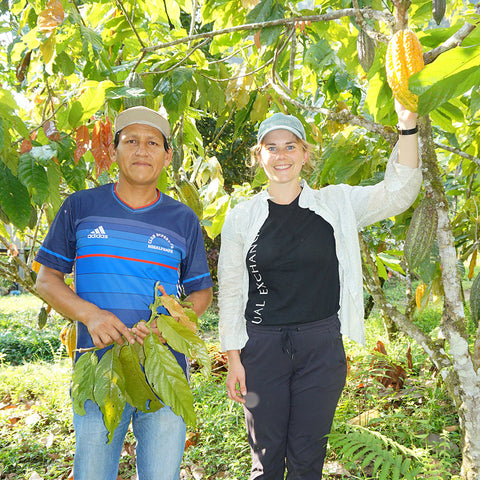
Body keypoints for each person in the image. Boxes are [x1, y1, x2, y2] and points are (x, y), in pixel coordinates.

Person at [218, 100, 421, 479]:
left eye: (290, 146)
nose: (281, 156)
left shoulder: (336, 203)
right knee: (265, 457)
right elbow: (231, 291)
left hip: (320, 346)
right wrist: (233, 359)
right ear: (258, 155)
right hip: (262, 348)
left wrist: (407, 124)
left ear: (305, 154)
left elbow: (399, 192)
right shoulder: (241, 217)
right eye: (271, 147)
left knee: (308, 457)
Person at [35, 106, 213, 480]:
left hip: (164, 374)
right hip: (101, 372)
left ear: (167, 156)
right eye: (130, 141)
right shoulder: (81, 207)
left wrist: (168, 325)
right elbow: (46, 280)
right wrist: (91, 315)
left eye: (152, 143)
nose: (141, 150)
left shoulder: (184, 220)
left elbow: (201, 292)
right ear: (114, 150)